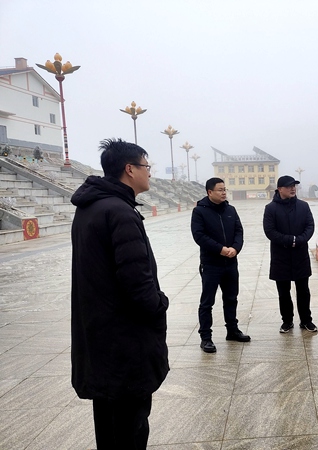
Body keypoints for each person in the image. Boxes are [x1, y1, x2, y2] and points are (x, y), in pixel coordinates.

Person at [71, 138, 169, 449]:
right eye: (146, 166)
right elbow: (136, 281)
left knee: (108, 424)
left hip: (101, 336)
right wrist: (159, 304)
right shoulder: (119, 212)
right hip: (125, 342)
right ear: (129, 169)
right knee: (130, 427)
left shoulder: (91, 207)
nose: (149, 173)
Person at [191, 177, 250, 353]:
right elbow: (199, 236)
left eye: (225, 189)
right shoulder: (199, 211)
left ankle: (232, 330)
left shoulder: (230, 210)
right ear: (210, 192)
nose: (224, 192)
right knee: (207, 302)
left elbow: (239, 231)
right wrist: (221, 249)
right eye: (220, 190)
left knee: (231, 298)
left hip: (231, 263)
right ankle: (206, 338)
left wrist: (235, 248)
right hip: (211, 264)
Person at [263, 175, 317, 333]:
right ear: (280, 189)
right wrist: (289, 240)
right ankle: (287, 321)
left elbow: (310, 226)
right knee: (283, 292)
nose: (292, 189)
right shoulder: (271, 208)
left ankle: (306, 320)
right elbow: (270, 231)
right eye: (288, 186)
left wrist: (299, 240)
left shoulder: (303, 206)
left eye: (294, 186)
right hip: (281, 256)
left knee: (303, 290)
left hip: (300, 255)